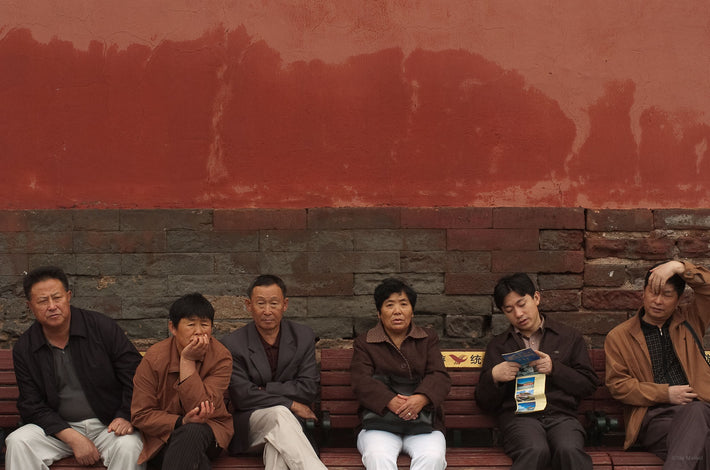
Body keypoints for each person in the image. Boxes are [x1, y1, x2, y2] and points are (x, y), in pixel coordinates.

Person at [5, 266, 144, 470]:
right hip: (58, 430)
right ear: (30, 306)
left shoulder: (101, 327)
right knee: (18, 442)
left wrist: (125, 414)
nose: (52, 306)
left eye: (57, 297)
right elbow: (31, 403)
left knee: (130, 446)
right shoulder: (26, 347)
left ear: (68, 296)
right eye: (43, 301)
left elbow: (136, 376)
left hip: (108, 425)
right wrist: (72, 437)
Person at [475, 272, 598, 470]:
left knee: (569, 449)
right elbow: (484, 402)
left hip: (561, 416)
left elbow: (589, 385)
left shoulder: (568, 337)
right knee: (535, 449)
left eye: (522, 304)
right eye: (509, 309)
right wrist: (494, 377)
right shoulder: (499, 345)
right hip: (519, 419)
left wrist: (555, 369)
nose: (518, 314)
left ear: (536, 298)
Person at [605, 260, 710, 469]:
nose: (658, 301)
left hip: (699, 410)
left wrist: (679, 266)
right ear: (642, 293)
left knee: (697, 423)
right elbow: (619, 386)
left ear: (679, 299)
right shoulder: (619, 337)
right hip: (655, 417)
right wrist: (665, 394)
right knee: (700, 428)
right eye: (653, 292)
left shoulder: (691, 320)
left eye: (667, 295)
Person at [221, 274, 327, 470]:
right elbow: (243, 396)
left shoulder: (302, 336)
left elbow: (308, 388)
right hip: (250, 426)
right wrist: (291, 404)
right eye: (260, 303)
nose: (267, 311)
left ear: (284, 305)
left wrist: (263, 389)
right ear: (248, 305)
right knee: (280, 413)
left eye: (274, 303)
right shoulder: (233, 343)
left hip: (291, 429)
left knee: (276, 449)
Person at [350, 277, 451, 470]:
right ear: (379, 313)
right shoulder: (365, 343)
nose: (397, 311)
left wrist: (421, 398)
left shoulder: (427, 338)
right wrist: (390, 400)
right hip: (380, 423)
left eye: (403, 304)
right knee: (378, 456)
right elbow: (360, 381)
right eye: (389, 305)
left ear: (412, 310)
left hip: (422, 422)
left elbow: (439, 375)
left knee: (432, 457)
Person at [131, 292, 234, 469]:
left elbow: (202, 408)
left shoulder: (221, 357)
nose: (199, 331)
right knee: (192, 457)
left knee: (192, 431)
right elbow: (141, 414)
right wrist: (180, 422)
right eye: (191, 324)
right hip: (163, 436)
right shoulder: (153, 358)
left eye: (205, 324)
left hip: (209, 431)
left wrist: (187, 361)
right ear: (173, 327)